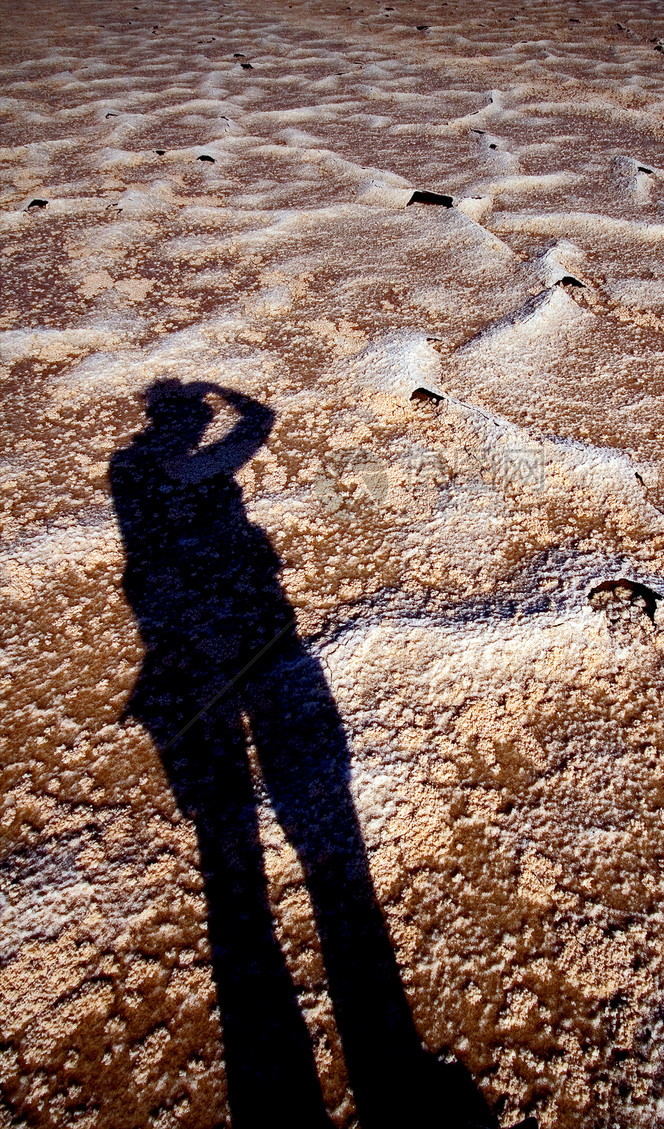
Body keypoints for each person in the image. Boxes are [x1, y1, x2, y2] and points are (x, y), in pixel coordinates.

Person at [110, 379, 505, 1129]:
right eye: (190, 415)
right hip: (226, 628)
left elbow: (252, 430)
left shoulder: (138, 471)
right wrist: (221, 396)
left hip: (198, 634)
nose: (194, 423)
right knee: (304, 859)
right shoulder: (161, 470)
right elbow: (259, 421)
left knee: (245, 858)